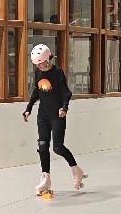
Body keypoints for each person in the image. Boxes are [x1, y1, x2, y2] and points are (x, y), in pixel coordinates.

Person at [22, 44, 85, 195]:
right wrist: (28, 108)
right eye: (36, 64)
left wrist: (64, 108)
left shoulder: (57, 73)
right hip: (43, 115)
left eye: (40, 63)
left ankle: (76, 170)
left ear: (47, 60)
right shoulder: (38, 72)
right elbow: (37, 91)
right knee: (42, 145)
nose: (39, 66)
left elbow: (66, 93)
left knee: (57, 147)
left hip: (57, 115)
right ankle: (45, 178)